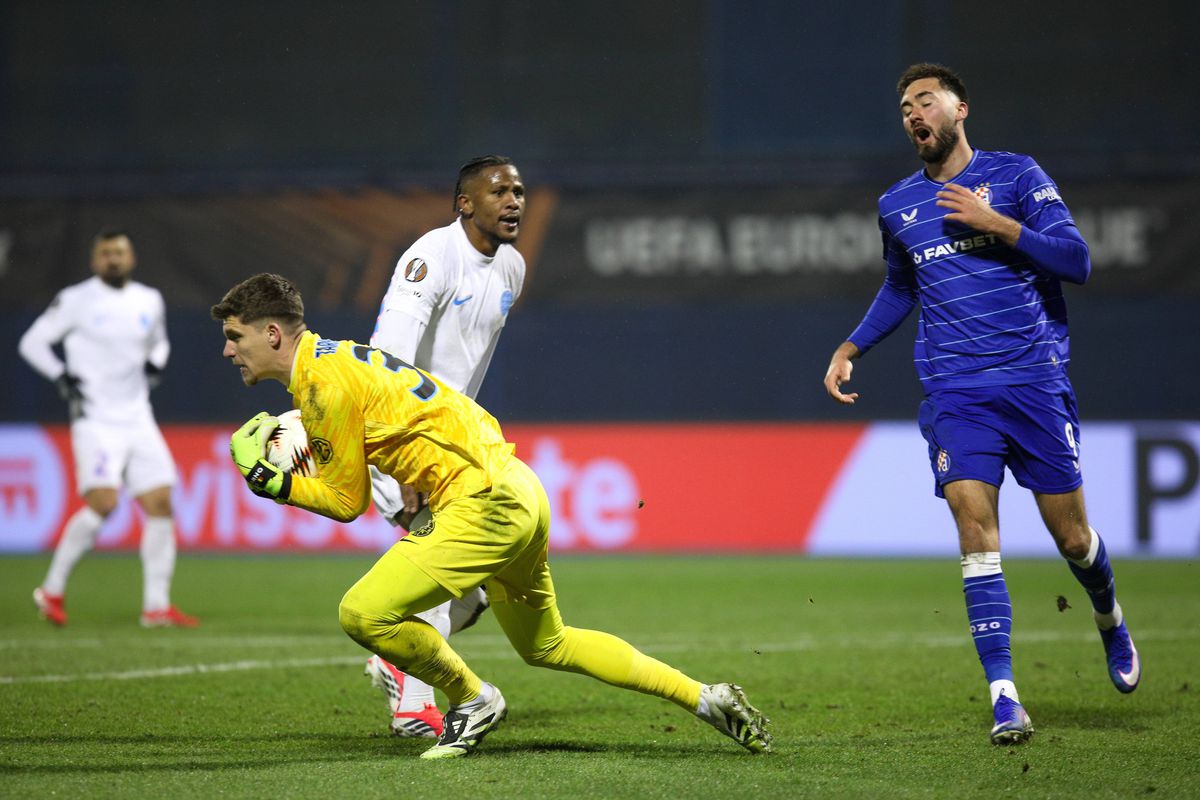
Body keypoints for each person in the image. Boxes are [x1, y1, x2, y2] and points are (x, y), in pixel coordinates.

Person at [211, 273, 772, 759]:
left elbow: (344, 501)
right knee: (549, 645)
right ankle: (706, 697)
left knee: (361, 613)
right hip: (518, 487)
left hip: (480, 502)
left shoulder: (322, 384)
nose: (228, 351)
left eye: (235, 336)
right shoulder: (336, 359)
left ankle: (474, 701)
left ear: (272, 333)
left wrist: (272, 482)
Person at [823, 64, 1139, 745]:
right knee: (975, 528)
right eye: (905, 105)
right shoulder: (897, 205)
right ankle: (1004, 696)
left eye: (926, 100)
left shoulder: (1018, 176)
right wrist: (852, 345)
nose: (914, 113)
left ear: (960, 108)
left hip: (1032, 381)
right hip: (956, 392)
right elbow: (901, 287)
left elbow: (1077, 261)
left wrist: (996, 223)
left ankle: (1109, 615)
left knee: (1074, 541)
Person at [362, 155, 527, 738]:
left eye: (518, 191)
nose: (513, 201)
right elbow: (387, 362)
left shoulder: (512, 268)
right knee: (442, 561)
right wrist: (403, 454)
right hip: (401, 431)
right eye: (499, 191)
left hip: (456, 440)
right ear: (464, 203)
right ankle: (413, 705)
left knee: (476, 593)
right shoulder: (430, 256)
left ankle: (394, 653)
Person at [18, 228, 198, 628]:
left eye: (119, 252)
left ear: (131, 258)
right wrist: (60, 374)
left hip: (137, 416)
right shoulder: (75, 300)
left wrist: (157, 360)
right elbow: (32, 343)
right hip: (96, 418)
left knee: (161, 504)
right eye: (105, 253)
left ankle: (155, 607)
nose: (113, 259)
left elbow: (159, 342)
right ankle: (52, 589)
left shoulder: (149, 299)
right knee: (103, 502)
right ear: (94, 260)